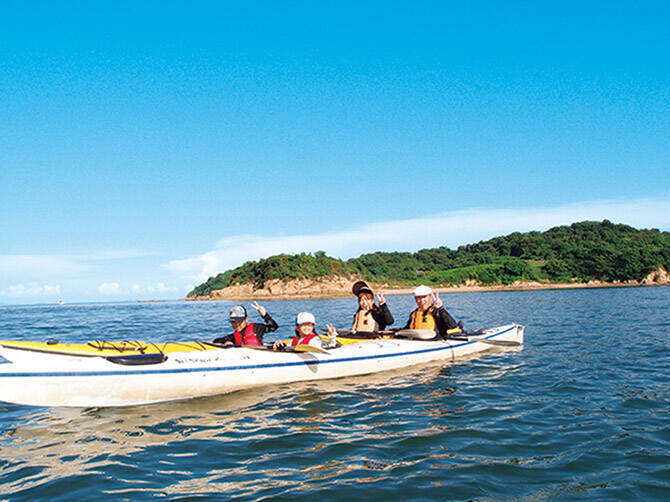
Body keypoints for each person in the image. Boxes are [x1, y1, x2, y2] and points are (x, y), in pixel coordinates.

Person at [213, 301, 278, 346]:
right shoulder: (233, 336)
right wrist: (226, 342)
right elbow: (215, 341)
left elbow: (274, 327)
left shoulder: (256, 328)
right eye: (234, 322)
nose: (237, 324)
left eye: (239, 321)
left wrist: (265, 315)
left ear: (246, 319)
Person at [273, 312, 338, 350]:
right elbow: (289, 347)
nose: (307, 327)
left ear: (313, 327)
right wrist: (281, 345)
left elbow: (329, 347)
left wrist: (332, 336)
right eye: (303, 325)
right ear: (297, 327)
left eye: (309, 325)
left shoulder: (315, 339)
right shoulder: (296, 339)